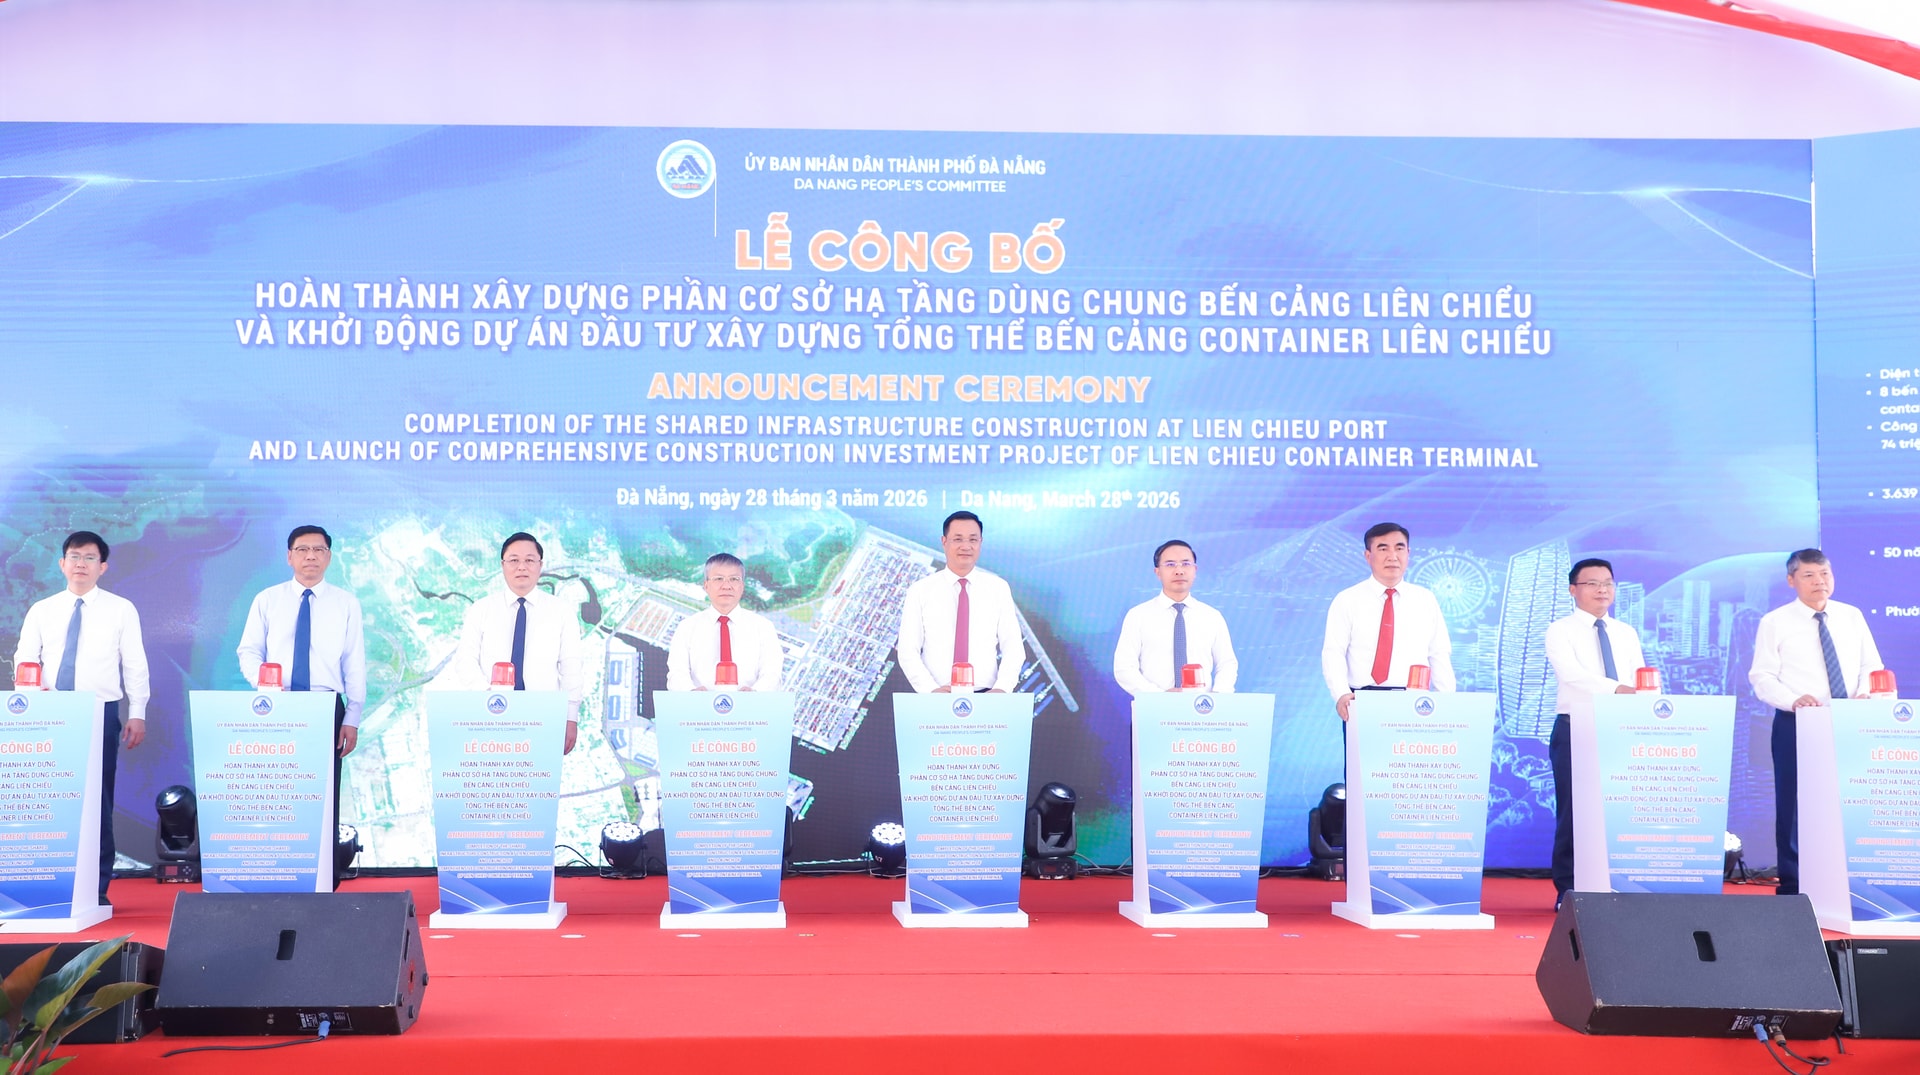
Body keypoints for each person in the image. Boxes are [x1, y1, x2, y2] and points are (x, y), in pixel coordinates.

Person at [12, 531, 150, 904]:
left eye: (90, 558)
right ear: (62, 564)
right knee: (50, 798)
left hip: (99, 711)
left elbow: (134, 664)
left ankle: (95, 888)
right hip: (50, 713)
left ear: (102, 567)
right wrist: (29, 705)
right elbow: (26, 658)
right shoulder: (42, 610)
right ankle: (48, 882)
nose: (81, 564)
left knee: (97, 801)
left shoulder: (121, 609)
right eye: (74, 557)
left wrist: (137, 712)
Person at [1749, 548, 1884, 896]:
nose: (1819, 581)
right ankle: (1794, 885)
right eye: (1809, 575)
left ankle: (1849, 881)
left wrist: (1864, 694)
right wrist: (1793, 700)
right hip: (1797, 721)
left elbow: (1871, 666)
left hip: (1850, 721)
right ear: (1791, 580)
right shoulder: (1775, 622)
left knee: (1851, 799)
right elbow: (1762, 677)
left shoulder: (1851, 616)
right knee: (1793, 805)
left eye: (1825, 574)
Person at [236, 525, 367, 814]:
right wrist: (265, 686)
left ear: (328, 557)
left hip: (326, 706)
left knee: (323, 795)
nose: (311, 556)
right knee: (278, 792)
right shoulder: (267, 599)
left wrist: (352, 717)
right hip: (276, 704)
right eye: (302, 549)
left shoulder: (346, 603)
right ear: (289, 556)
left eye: (319, 549)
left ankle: (326, 847)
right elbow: (249, 651)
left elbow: (353, 661)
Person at [1543, 556, 1645, 909]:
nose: (1602, 590)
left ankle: (1619, 884)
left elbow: (1638, 676)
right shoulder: (1560, 630)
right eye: (1592, 583)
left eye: (1608, 583)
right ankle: (1568, 890)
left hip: (1620, 728)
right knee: (1574, 812)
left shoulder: (1626, 632)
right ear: (1573, 590)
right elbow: (1571, 675)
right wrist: (1618, 689)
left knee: (1620, 810)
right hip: (1576, 727)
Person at [444, 532, 582, 752]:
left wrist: (570, 717)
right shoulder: (481, 609)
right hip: (490, 717)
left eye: (529, 560)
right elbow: (465, 659)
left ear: (540, 565)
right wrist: (489, 697)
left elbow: (571, 666)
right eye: (514, 560)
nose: (521, 567)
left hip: (543, 717)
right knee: (494, 773)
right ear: (503, 565)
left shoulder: (562, 612)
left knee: (538, 774)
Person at [1321, 522, 1455, 721]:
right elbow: (1334, 652)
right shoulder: (1347, 600)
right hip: (1360, 702)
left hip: (1415, 705)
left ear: (1408, 553)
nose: (1392, 556)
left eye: (1399, 548)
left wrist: (1447, 701)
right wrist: (1341, 694)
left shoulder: (1425, 599)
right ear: (1368, 556)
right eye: (1383, 549)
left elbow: (1438, 653)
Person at [897, 511, 1024, 693]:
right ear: (944, 542)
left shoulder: (998, 588)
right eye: (958, 539)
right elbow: (907, 650)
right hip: (936, 695)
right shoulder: (920, 590)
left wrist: (1002, 688)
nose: (966, 546)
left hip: (987, 697)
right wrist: (929, 689)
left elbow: (1013, 647)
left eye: (973, 540)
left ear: (980, 543)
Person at [1114, 539, 1237, 697]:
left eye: (1186, 564)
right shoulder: (1138, 616)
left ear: (1195, 570)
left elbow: (1227, 663)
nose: (1179, 571)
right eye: (1170, 564)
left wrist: (1218, 697)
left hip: (1202, 709)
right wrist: (1160, 697)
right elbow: (1124, 668)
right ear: (1157, 572)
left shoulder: (1212, 617)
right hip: (1154, 707)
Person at [666, 553, 784, 692]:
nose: (726, 586)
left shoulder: (763, 627)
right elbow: (677, 672)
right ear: (706, 585)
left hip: (750, 704)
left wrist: (756, 692)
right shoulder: (687, 627)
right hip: (698, 704)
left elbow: (772, 673)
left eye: (734, 579)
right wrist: (690, 691)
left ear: (742, 586)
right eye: (718, 579)